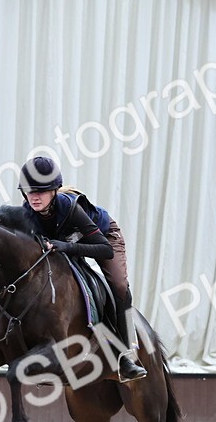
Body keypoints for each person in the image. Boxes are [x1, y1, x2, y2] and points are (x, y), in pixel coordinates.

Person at [16, 155, 147, 383]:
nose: (34, 197)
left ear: (55, 191)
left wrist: (65, 247)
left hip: (104, 237)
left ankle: (126, 355)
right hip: (67, 242)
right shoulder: (27, 214)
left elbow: (104, 249)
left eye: (41, 191)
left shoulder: (70, 207)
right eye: (29, 191)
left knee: (118, 285)